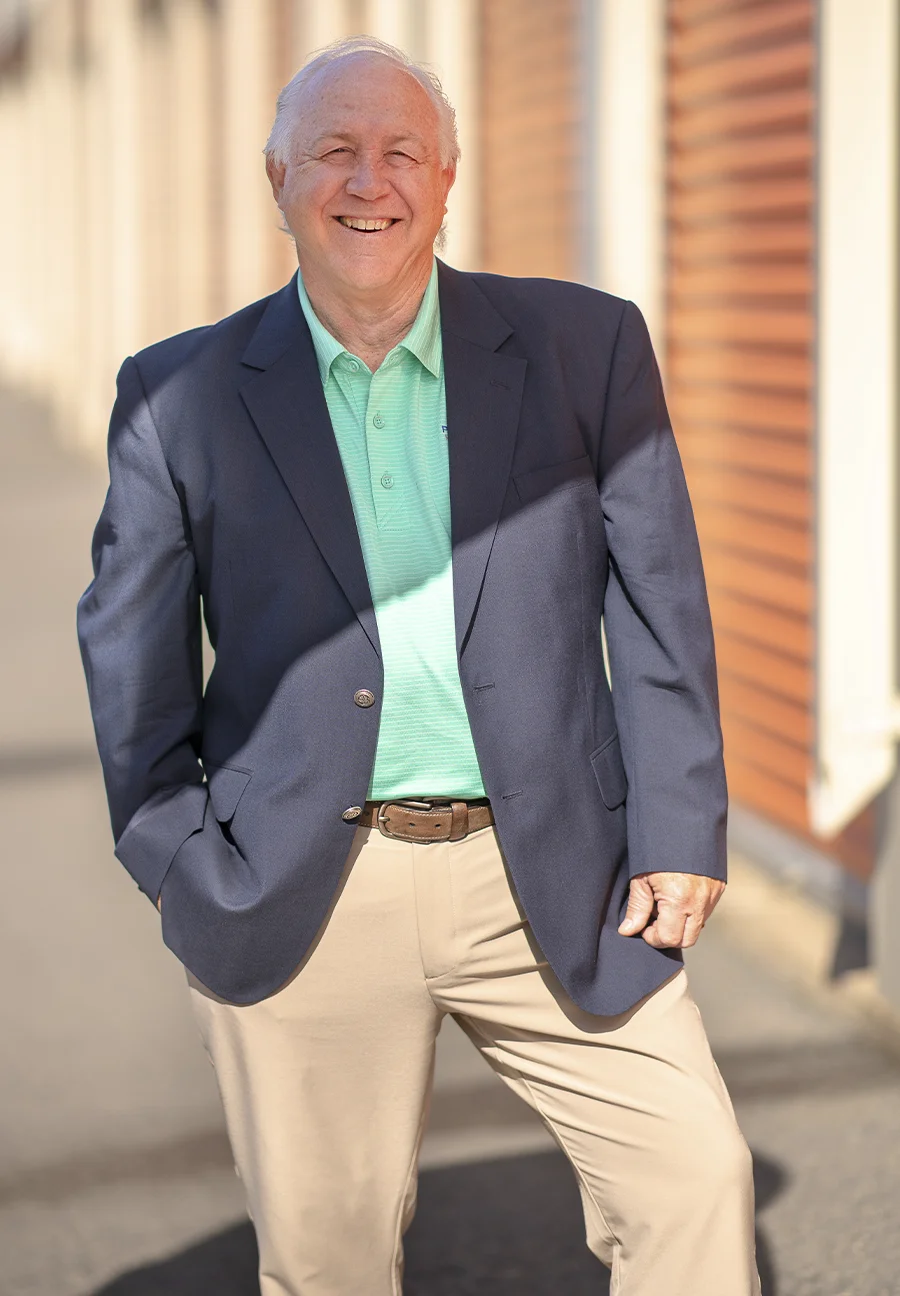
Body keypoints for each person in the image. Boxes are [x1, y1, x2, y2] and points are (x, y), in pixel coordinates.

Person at [77, 35, 759, 1296]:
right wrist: (180, 861)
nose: (368, 180)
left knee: (698, 1182)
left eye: (401, 152)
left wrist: (681, 824)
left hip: (554, 866)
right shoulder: (178, 393)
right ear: (277, 178)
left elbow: (661, 602)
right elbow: (131, 660)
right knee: (328, 1265)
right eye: (334, 150)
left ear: (449, 181)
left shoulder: (585, 346)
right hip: (300, 889)